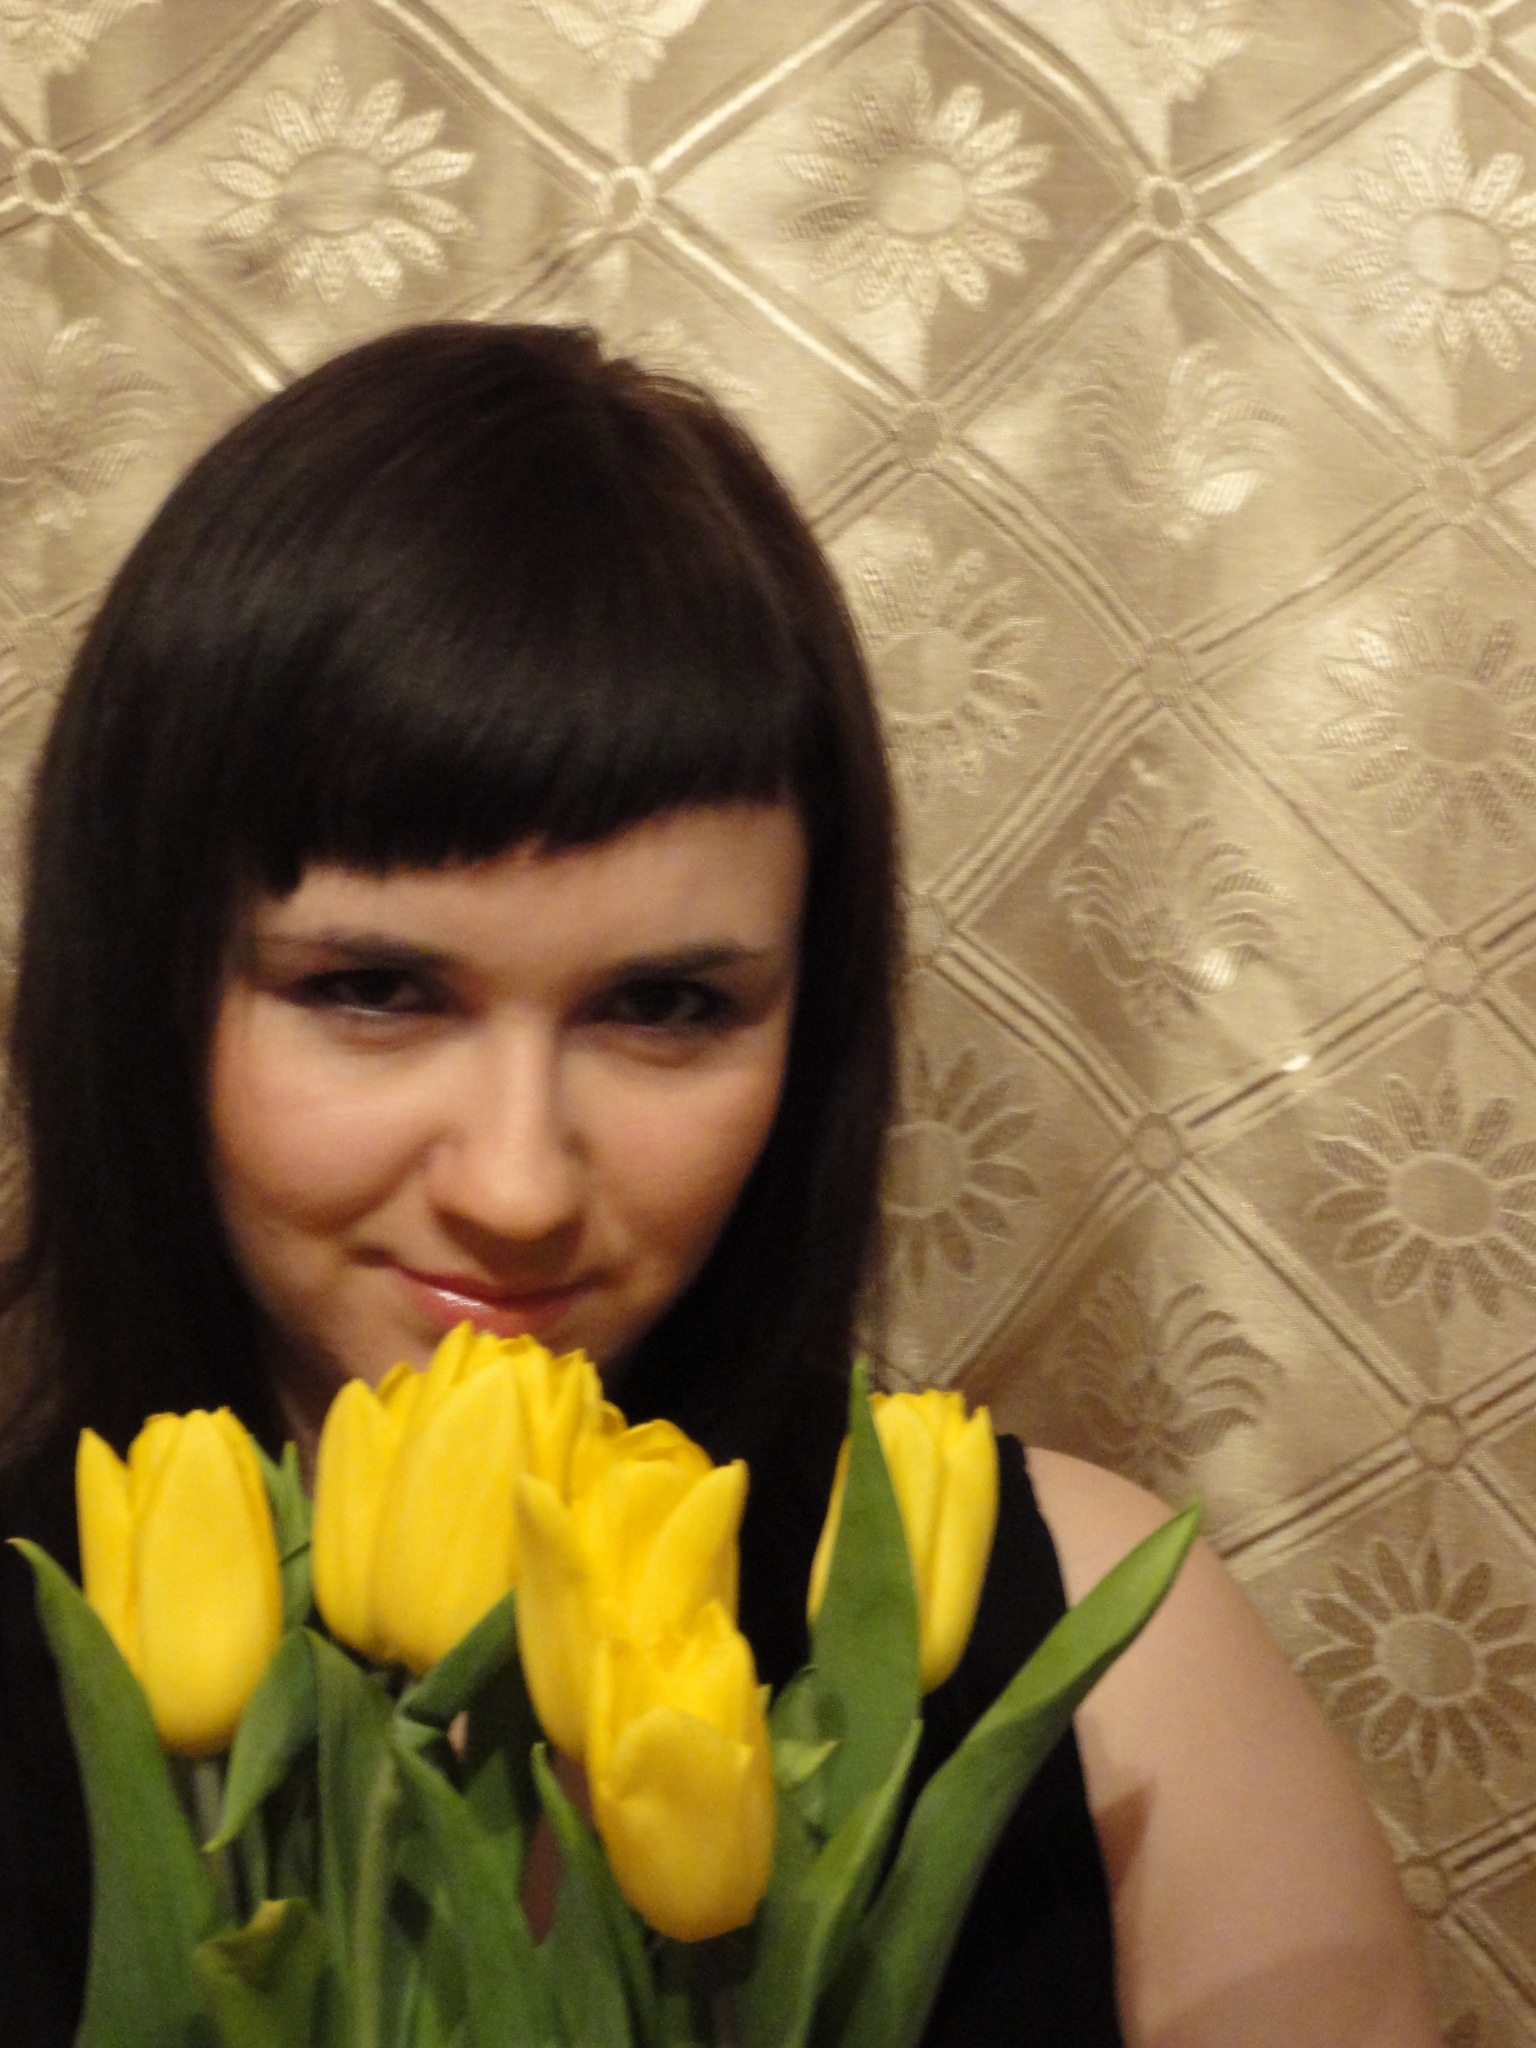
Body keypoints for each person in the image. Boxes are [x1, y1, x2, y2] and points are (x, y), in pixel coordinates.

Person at [0, 323, 1435, 2047]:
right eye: (373, 989)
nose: (519, 1187)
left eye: (666, 1008)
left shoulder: (1104, 1660)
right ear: (140, 984)